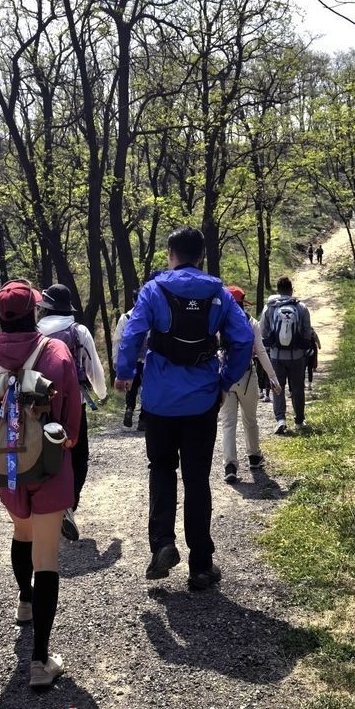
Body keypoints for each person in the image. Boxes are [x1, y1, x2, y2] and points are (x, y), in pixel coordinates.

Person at [115, 227, 253, 589]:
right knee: (196, 480)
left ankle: (162, 544)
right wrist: (224, 380)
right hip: (202, 400)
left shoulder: (154, 290)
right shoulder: (219, 294)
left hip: (160, 401)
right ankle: (201, 566)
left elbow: (132, 334)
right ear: (201, 256)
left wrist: (125, 373)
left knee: (160, 468)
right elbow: (243, 340)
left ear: (170, 253)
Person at [0, 279, 82, 688]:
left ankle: (24, 600)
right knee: (48, 555)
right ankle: (40, 659)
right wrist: (67, 438)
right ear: (35, 312)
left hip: (7, 463)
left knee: (21, 531)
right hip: (50, 462)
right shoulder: (56, 352)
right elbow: (70, 414)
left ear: (2, 315)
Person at [36, 283, 107, 541]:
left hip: (38, 405)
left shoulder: (34, 333)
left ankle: (44, 509)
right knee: (78, 457)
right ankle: (68, 506)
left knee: (45, 457)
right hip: (73, 404)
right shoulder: (78, 331)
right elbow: (92, 366)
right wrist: (101, 393)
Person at [220, 286, 281, 484]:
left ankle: (230, 465)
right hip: (247, 376)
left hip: (226, 377)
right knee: (250, 419)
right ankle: (254, 456)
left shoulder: (218, 321)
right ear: (242, 302)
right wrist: (272, 377)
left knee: (228, 423)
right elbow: (261, 351)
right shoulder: (251, 322)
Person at [258, 275, 313, 435]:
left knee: (277, 388)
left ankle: (280, 419)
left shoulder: (270, 307)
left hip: (276, 355)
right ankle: (299, 421)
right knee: (297, 388)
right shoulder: (301, 307)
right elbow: (306, 331)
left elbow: (263, 332)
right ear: (291, 290)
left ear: (278, 290)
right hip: (297, 356)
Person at [112, 292, 147, 430]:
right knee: (147, 388)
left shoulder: (125, 317)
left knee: (130, 386)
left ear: (133, 301)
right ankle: (144, 418)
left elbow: (117, 340)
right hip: (147, 358)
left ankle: (129, 408)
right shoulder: (150, 315)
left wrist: (117, 360)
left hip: (130, 358)